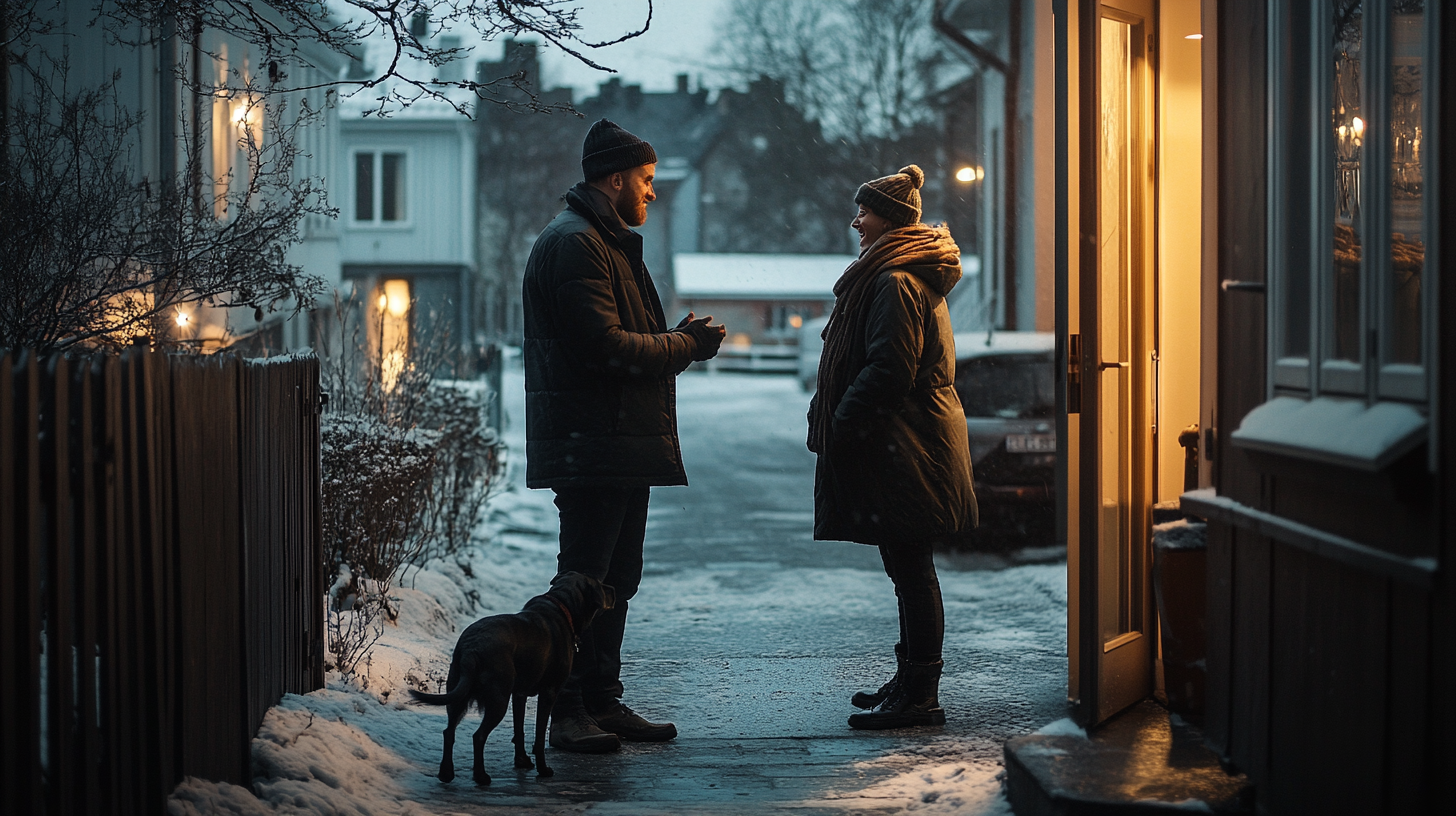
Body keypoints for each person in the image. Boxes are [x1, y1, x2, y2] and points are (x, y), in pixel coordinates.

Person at [521, 119, 726, 752]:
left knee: (614, 578)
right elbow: (602, 349)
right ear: (615, 179)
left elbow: (615, 339)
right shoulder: (577, 245)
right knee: (584, 578)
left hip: (611, 442)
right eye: (646, 180)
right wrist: (684, 345)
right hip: (593, 442)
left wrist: (676, 340)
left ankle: (600, 700)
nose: (652, 192)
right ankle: (566, 709)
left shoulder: (602, 241)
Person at [807, 164, 978, 730]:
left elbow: (889, 370)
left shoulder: (895, 280)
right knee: (906, 568)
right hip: (908, 440)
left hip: (910, 443)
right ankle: (910, 680)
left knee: (911, 569)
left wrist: (843, 420)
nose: (856, 221)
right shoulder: (898, 273)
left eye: (865, 211)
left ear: (892, 219)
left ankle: (921, 694)